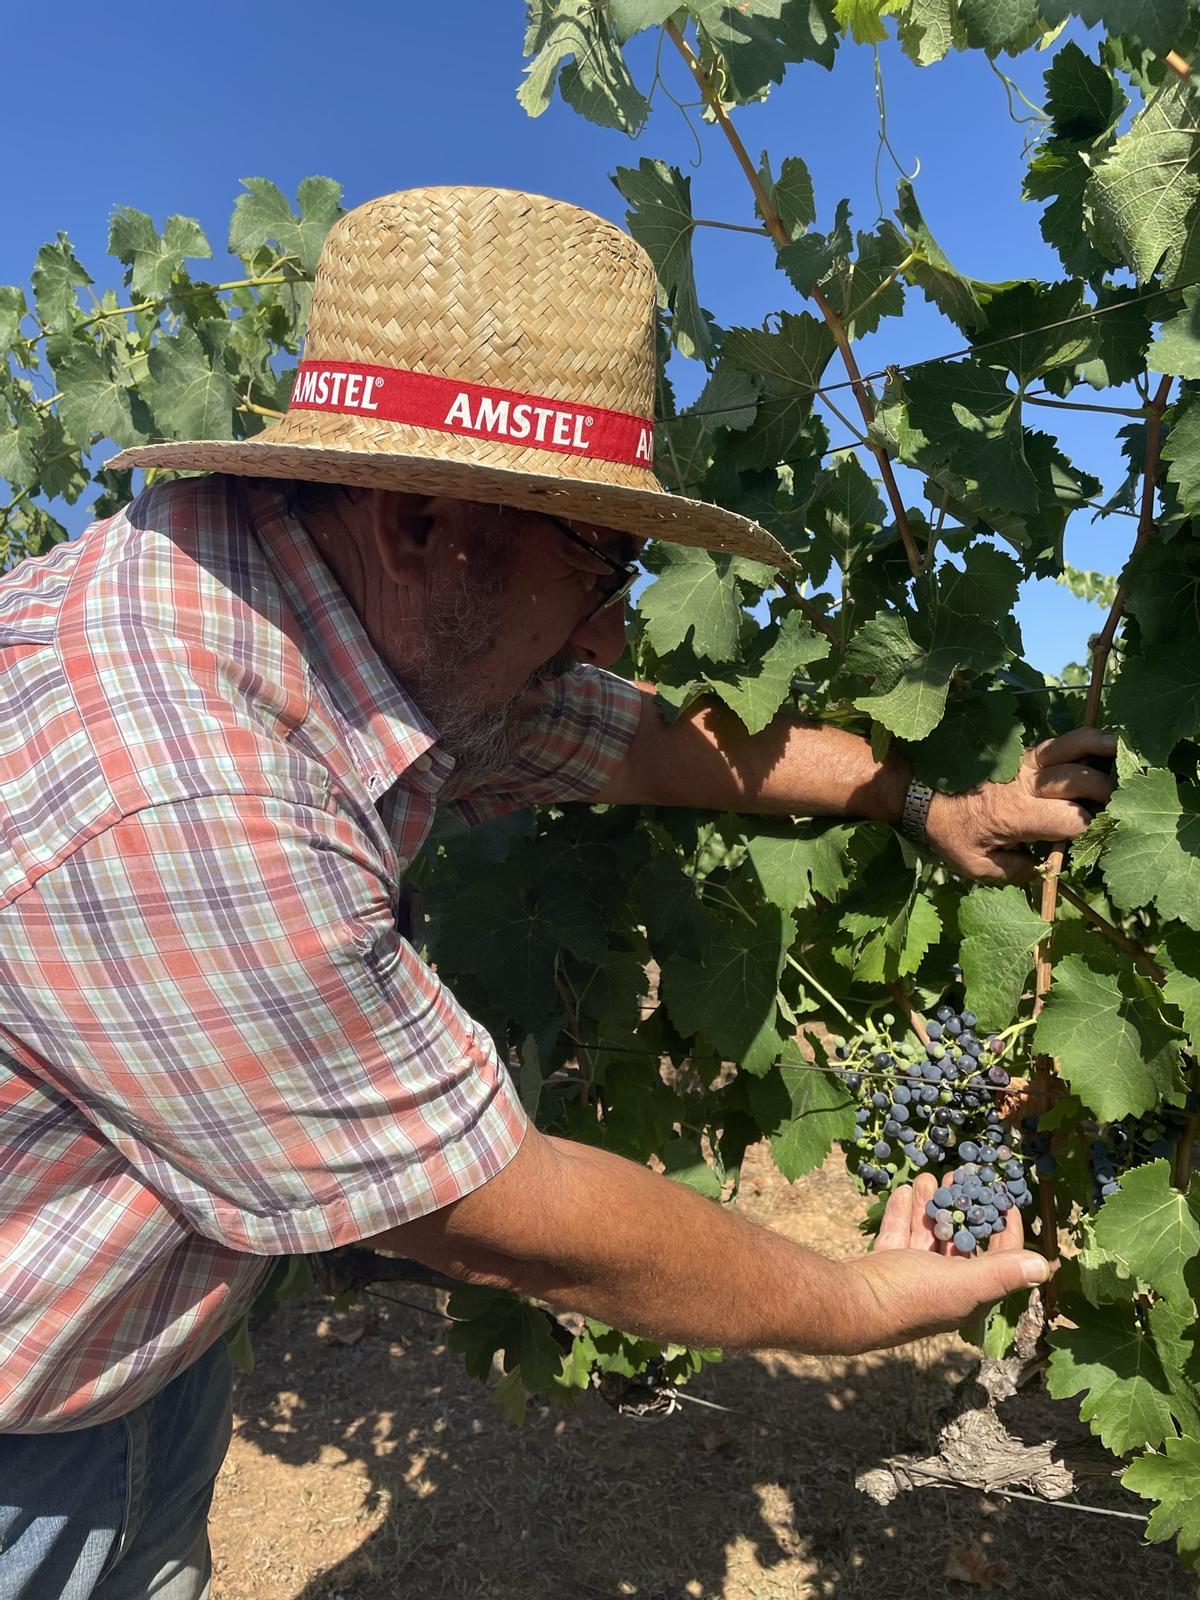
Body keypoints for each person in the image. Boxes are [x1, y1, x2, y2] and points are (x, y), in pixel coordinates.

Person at [0, 186, 1113, 1598]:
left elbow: (627, 732)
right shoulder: (191, 795)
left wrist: (918, 801)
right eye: (600, 561)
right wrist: (854, 1297)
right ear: (417, 515)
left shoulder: (327, 598)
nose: (611, 623)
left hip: (133, 1349)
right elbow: (489, 1206)